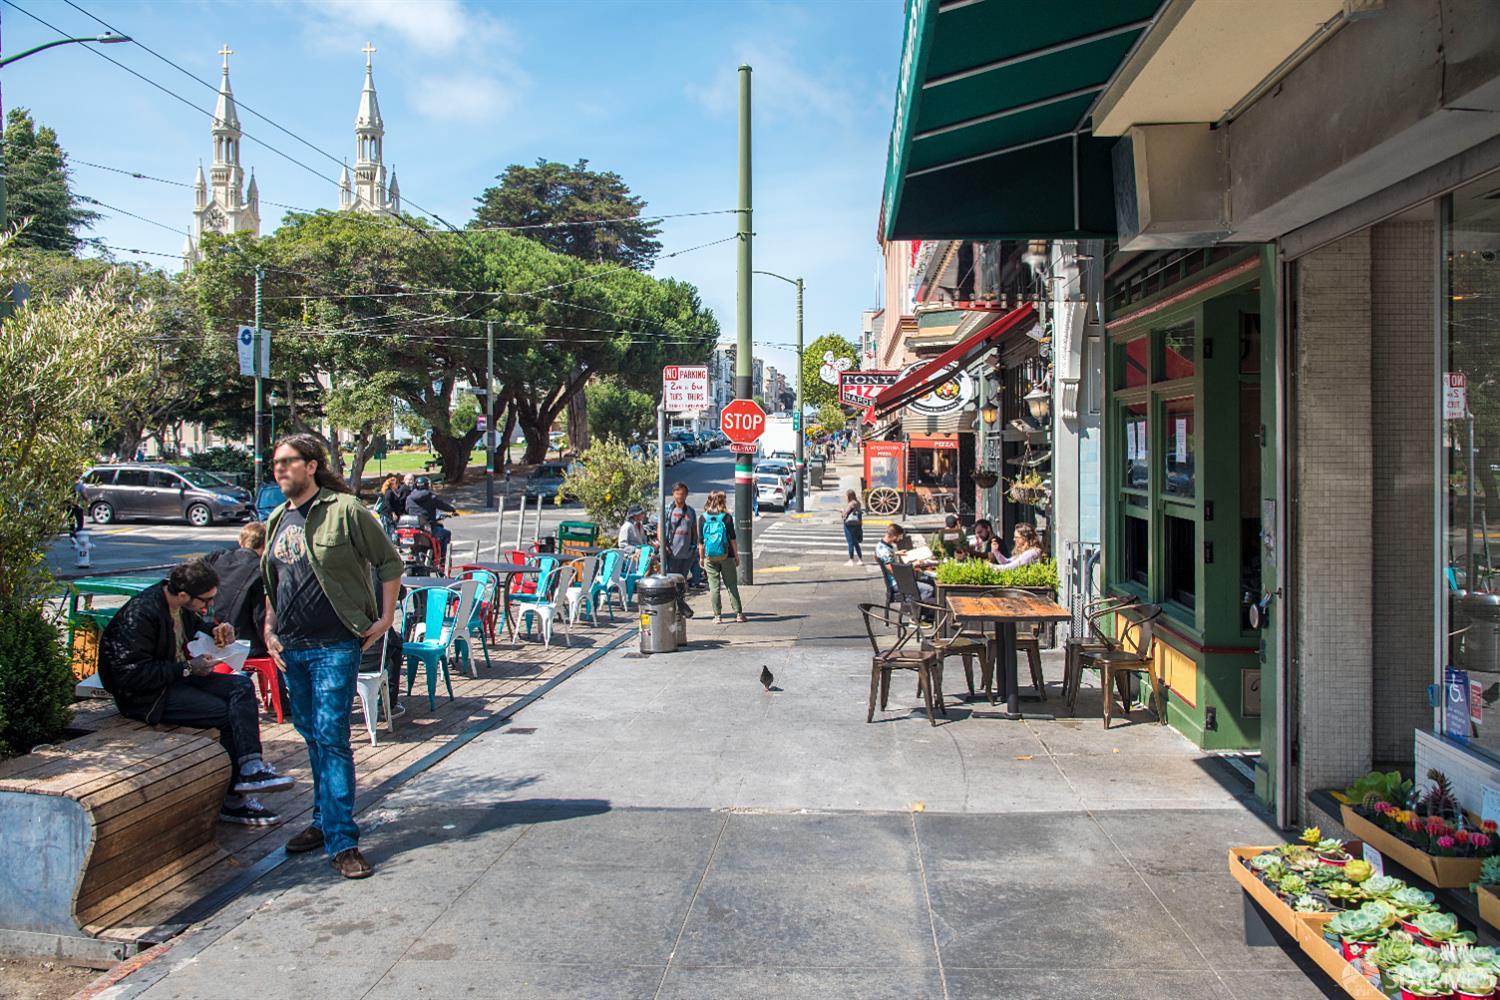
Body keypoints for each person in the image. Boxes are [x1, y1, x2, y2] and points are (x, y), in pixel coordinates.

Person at [262, 434, 403, 879]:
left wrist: (384, 618)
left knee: (332, 737)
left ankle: (343, 840)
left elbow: (389, 562)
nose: (279, 469)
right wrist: (268, 629)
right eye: (275, 463)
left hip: (335, 644)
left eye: (287, 462)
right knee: (312, 736)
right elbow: (274, 581)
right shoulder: (275, 520)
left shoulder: (344, 510)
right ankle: (323, 823)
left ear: (311, 465)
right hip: (291, 647)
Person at [98, 560, 294, 827]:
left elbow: (194, 625)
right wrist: (188, 669)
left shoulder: (177, 605)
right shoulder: (144, 613)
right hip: (146, 697)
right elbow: (129, 675)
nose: (208, 606)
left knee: (241, 686)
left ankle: (251, 767)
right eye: (206, 601)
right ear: (182, 595)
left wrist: (215, 631)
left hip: (176, 678)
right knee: (225, 714)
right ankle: (233, 800)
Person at [699, 490, 746, 624]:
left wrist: (701, 558)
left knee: (714, 587)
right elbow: (732, 539)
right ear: (722, 501)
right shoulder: (726, 518)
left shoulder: (703, 518)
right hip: (727, 556)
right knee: (731, 585)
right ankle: (738, 614)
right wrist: (736, 555)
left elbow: (701, 542)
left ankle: (717, 616)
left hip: (710, 557)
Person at [874, 523, 935, 600]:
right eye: (899, 537)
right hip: (897, 583)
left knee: (926, 581)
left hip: (896, 581)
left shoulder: (880, 545)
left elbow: (881, 557)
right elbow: (892, 570)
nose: (899, 540)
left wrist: (896, 553)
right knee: (929, 589)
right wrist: (912, 565)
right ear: (893, 536)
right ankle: (912, 606)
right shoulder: (886, 552)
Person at [404, 476, 456, 561]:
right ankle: (443, 559)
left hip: (414, 528)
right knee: (446, 534)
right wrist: (452, 509)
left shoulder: (409, 498)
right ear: (427, 486)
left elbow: (407, 509)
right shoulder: (431, 497)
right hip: (428, 527)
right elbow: (442, 505)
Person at [661, 481, 698, 583]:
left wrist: (694, 546)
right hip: (671, 553)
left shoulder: (691, 511)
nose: (680, 497)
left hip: (686, 553)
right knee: (671, 579)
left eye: (682, 494)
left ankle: (680, 599)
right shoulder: (668, 510)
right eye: (677, 494)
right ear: (673, 494)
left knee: (682, 579)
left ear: (686, 495)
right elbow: (660, 529)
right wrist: (664, 546)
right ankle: (673, 599)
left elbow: (694, 530)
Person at [842, 489, 864, 565]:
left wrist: (842, 511)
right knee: (856, 543)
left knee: (850, 542)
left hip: (849, 525)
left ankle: (851, 560)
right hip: (857, 524)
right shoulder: (858, 503)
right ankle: (860, 559)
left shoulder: (851, 504)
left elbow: (845, 514)